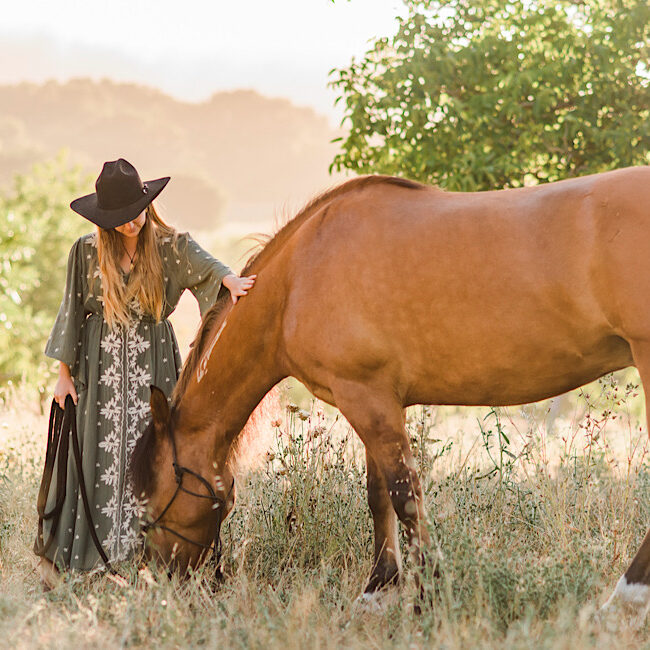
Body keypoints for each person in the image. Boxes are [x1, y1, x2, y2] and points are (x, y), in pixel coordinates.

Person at [35, 158, 255, 587]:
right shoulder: (85, 251)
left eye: (134, 215)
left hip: (153, 366)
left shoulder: (171, 245)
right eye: (118, 220)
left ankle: (150, 553)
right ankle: (95, 556)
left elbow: (210, 269)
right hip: (97, 371)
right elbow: (72, 313)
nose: (130, 225)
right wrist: (64, 375)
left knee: (154, 455)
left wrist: (230, 280)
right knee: (98, 453)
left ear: (147, 203)